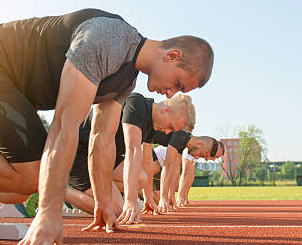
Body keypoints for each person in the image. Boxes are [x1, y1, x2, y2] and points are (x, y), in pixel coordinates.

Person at [0, 8, 213, 245]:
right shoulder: (110, 38)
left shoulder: (125, 82)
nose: (171, 94)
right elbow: (64, 125)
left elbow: (101, 140)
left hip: (11, 89)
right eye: (180, 84)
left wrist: (102, 201)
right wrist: (47, 213)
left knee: (19, 189)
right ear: (173, 56)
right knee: (33, 177)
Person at [63, 92, 195, 219]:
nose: (167, 132)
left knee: (142, 179)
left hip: (102, 156)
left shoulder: (151, 123)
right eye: (170, 127)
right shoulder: (136, 103)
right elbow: (133, 150)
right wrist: (131, 200)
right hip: (78, 153)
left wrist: (148, 199)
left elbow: (146, 162)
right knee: (117, 211)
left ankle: (95, 189)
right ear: (165, 111)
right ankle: (59, 188)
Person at [141, 135, 224, 215]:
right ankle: (135, 193)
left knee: (157, 199)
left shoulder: (184, 145)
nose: (199, 157)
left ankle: (141, 196)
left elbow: (176, 170)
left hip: (153, 159)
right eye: (202, 155)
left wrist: (171, 196)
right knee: (151, 172)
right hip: (152, 157)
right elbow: (174, 168)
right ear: (200, 144)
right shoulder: (180, 137)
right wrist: (166, 197)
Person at [176, 141, 225, 207]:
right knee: (186, 174)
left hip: (192, 152)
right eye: (216, 157)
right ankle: (179, 197)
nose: (214, 160)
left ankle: (184, 197)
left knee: (191, 176)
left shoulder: (209, 148)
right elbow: (185, 174)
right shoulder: (207, 146)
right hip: (188, 151)